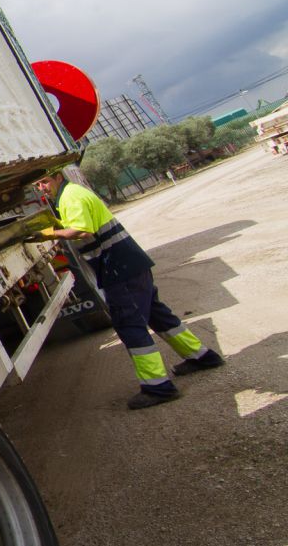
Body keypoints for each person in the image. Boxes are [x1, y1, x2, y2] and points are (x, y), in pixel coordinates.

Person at [35, 168, 224, 409]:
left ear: (58, 177)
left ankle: (158, 387)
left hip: (118, 269)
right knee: (157, 314)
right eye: (38, 185)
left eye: (44, 182)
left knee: (129, 324)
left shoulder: (70, 196)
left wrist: (48, 233)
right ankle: (202, 357)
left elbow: (82, 230)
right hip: (130, 264)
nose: (42, 188)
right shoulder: (71, 194)